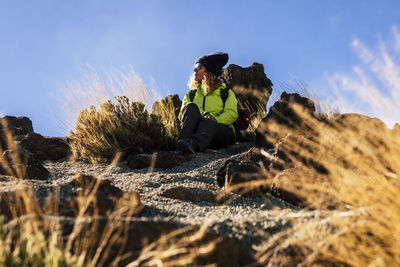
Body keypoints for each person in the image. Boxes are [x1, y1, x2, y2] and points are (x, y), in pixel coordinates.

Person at [177, 52, 238, 154]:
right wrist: (204, 115)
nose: (194, 70)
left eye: (198, 66)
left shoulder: (226, 92)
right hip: (197, 131)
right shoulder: (191, 94)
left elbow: (232, 113)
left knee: (209, 123)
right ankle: (182, 144)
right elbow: (182, 115)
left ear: (209, 70)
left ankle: (193, 145)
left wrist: (216, 119)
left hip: (221, 133)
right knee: (190, 107)